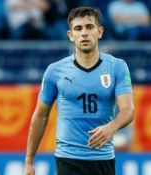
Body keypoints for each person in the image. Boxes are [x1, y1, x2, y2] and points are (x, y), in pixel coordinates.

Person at [24, 7, 135, 175]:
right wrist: (29, 161)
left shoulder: (117, 67)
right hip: (68, 160)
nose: (84, 33)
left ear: (100, 32)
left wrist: (112, 127)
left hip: (103, 160)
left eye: (89, 27)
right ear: (70, 35)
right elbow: (40, 115)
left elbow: (128, 109)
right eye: (78, 28)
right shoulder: (55, 71)